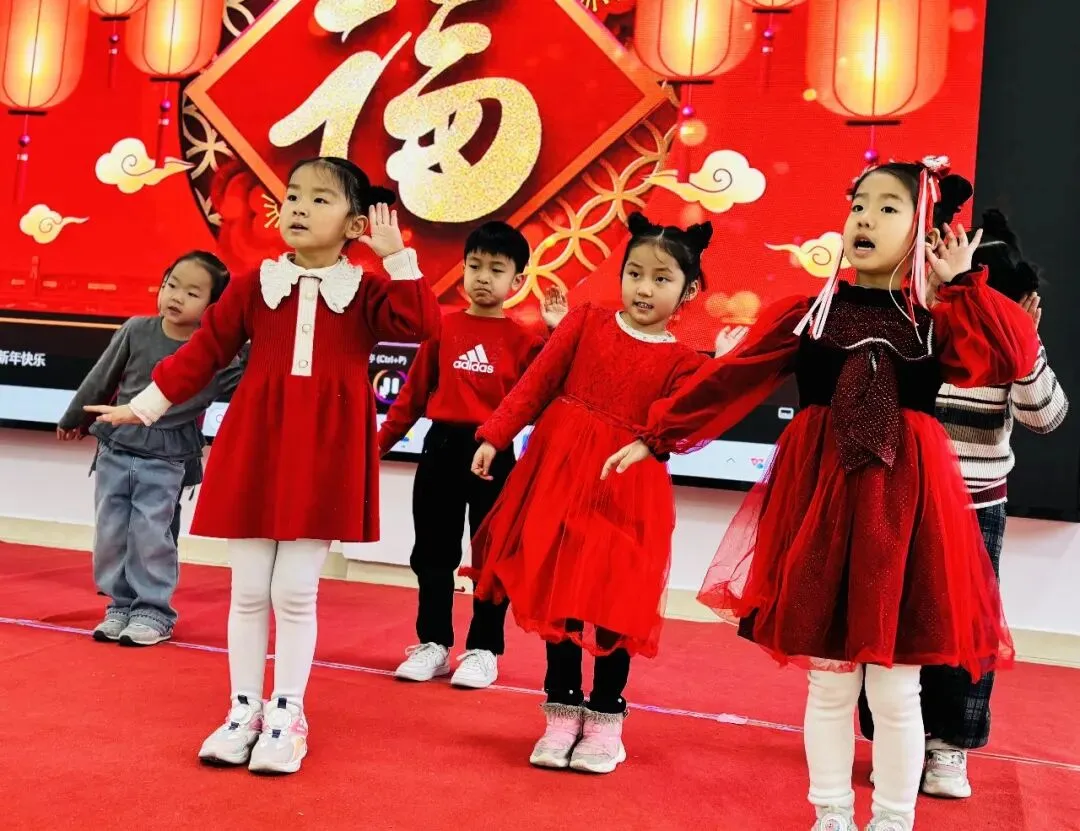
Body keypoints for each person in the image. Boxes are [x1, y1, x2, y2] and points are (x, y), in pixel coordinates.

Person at [602, 159, 1039, 830]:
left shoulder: (938, 319)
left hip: (904, 516)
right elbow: (730, 378)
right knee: (829, 680)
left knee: (897, 687)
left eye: (888, 208)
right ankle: (830, 812)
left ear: (921, 226)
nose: (865, 217)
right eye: (859, 204)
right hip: (821, 516)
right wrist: (659, 436)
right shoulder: (812, 312)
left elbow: (1011, 357)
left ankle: (893, 817)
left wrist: (960, 286)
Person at [86, 157, 439, 774]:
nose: (299, 207)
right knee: (249, 590)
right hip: (257, 443)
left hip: (325, 451)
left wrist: (397, 258)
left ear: (356, 224)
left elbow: (421, 325)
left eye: (320, 199)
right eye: (293, 195)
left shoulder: (368, 290)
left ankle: (288, 714)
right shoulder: (255, 284)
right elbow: (203, 352)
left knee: (294, 591)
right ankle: (242, 710)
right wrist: (143, 406)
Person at [467, 212, 712, 774]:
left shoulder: (683, 360)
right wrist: (495, 435)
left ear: (689, 290)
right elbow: (535, 384)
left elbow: (685, 424)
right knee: (560, 595)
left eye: (661, 279)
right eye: (634, 273)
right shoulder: (584, 322)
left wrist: (720, 366)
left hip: (628, 491)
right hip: (558, 477)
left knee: (615, 601)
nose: (643, 288)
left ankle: (606, 716)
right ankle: (561, 708)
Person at [857, 206, 1069, 799]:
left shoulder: (1011, 343)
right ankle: (894, 739)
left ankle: (949, 746)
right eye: (941, 280)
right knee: (891, 622)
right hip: (904, 499)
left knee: (965, 630)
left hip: (976, 508)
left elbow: (1047, 418)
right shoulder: (917, 329)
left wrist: (1023, 345)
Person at [379, 222, 567, 689]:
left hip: (495, 456)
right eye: (475, 266)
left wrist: (556, 331)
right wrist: (375, 447)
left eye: (496, 269)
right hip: (441, 449)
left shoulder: (526, 341)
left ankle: (484, 650)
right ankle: (433, 644)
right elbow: (411, 398)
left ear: (517, 280)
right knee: (432, 552)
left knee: (492, 558)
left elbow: (551, 390)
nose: (483, 277)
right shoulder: (441, 328)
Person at [57, 251, 242, 646]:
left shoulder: (216, 351)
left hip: (168, 455)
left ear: (213, 306)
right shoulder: (136, 329)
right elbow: (103, 376)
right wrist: (76, 416)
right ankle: (120, 604)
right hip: (117, 446)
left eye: (192, 293)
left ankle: (153, 611)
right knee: (111, 530)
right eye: (171, 285)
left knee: (151, 532)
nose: (176, 296)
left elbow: (245, 377)